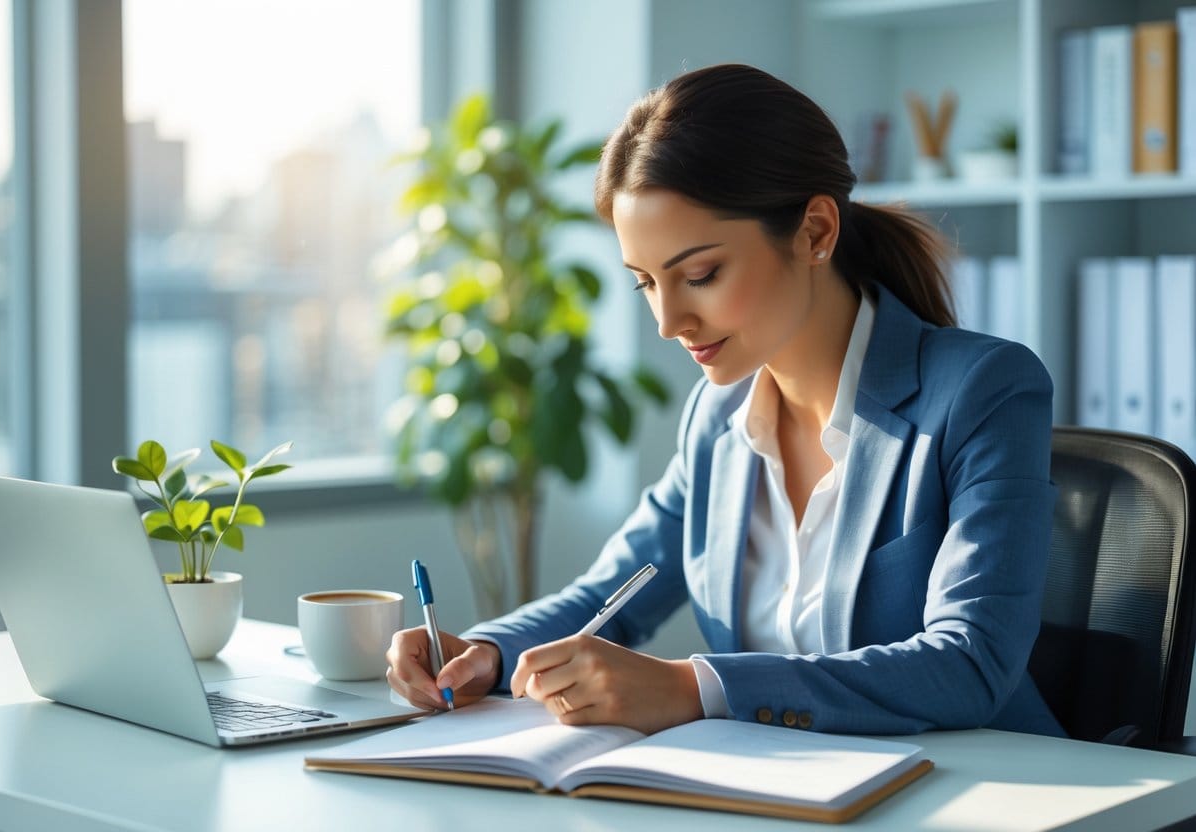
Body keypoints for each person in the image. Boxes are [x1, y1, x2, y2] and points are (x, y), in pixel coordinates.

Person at [386, 63, 1063, 739]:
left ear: (815, 232)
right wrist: (483, 651)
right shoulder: (717, 419)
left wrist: (693, 686)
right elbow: (609, 598)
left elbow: (971, 663)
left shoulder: (980, 390)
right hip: (778, 794)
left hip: (976, 790)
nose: (667, 321)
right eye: (644, 282)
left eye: (700, 274)